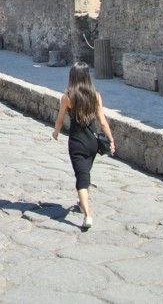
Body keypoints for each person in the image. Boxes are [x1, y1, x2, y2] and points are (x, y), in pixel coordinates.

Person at [52, 62, 116, 229]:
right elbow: (102, 121)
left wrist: (56, 132)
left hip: (77, 143)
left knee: (81, 178)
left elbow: (60, 119)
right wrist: (111, 139)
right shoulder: (96, 95)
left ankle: (88, 215)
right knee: (85, 173)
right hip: (92, 143)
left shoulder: (68, 97)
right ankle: (82, 203)